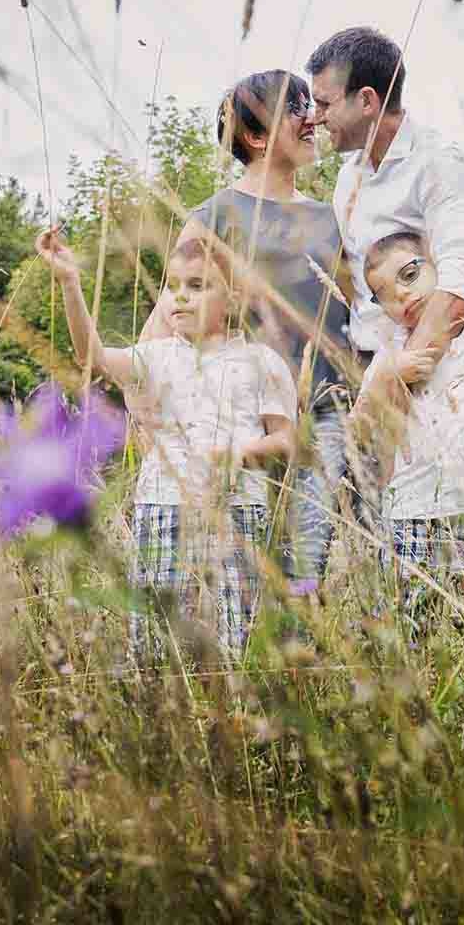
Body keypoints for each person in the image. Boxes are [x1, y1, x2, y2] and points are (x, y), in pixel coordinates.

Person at [138, 69, 357, 590]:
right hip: (240, 416)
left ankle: (299, 663)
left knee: (304, 563)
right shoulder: (215, 215)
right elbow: (166, 321)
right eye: (294, 110)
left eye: (310, 105)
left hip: (324, 412)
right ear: (255, 136)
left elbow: (356, 311)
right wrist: (153, 433)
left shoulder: (333, 217)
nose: (311, 119)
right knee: (243, 569)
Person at [36, 228, 297, 660]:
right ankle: (163, 706)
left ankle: (238, 711)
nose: (180, 297)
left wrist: (241, 453)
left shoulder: (261, 363)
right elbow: (92, 357)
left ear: (232, 298)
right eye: (172, 287)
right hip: (164, 504)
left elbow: (286, 443)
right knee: (157, 634)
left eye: (197, 286)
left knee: (241, 634)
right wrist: (69, 283)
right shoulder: (155, 357)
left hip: (238, 510)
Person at [351, 231, 464, 649]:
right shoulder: (389, 352)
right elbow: (358, 426)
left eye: (410, 274)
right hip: (410, 512)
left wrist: (458, 225)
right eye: (384, 295)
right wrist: (390, 379)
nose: (401, 296)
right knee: (410, 637)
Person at [306, 26, 464, 374]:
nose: (316, 117)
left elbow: (459, 285)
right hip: (375, 368)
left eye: (325, 103)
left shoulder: (438, 162)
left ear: (367, 101)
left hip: (447, 367)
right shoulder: (347, 180)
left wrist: (391, 389)